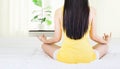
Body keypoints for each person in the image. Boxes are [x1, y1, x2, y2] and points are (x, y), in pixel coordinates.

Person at [38, 0, 111, 64]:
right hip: (87, 57)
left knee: (44, 45)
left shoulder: (58, 12)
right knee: (105, 46)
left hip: (65, 57)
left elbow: (57, 38)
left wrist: (45, 40)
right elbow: (93, 36)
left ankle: (68, 49)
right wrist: (105, 41)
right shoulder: (92, 11)